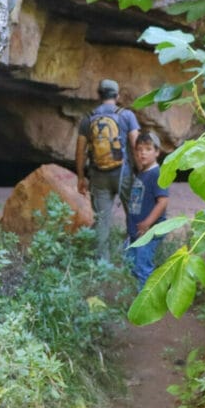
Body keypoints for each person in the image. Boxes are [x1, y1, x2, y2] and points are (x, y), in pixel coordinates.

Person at [75, 79, 140, 260]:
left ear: (99, 95)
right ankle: (133, 258)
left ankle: (102, 266)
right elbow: (136, 145)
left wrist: (81, 177)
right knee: (134, 214)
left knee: (102, 221)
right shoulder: (127, 116)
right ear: (117, 96)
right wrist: (142, 172)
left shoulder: (88, 118)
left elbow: (80, 151)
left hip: (99, 176)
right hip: (124, 174)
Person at [125, 131, 169, 287]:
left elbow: (162, 202)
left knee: (143, 267)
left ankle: (146, 305)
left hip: (149, 231)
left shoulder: (156, 174)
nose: (142, 153)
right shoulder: (143, 172)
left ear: (157, 152)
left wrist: (147, 223)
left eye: (148, 149)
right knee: (131, 263)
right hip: (136, 231)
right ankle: (138, 299)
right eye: (139, 149)